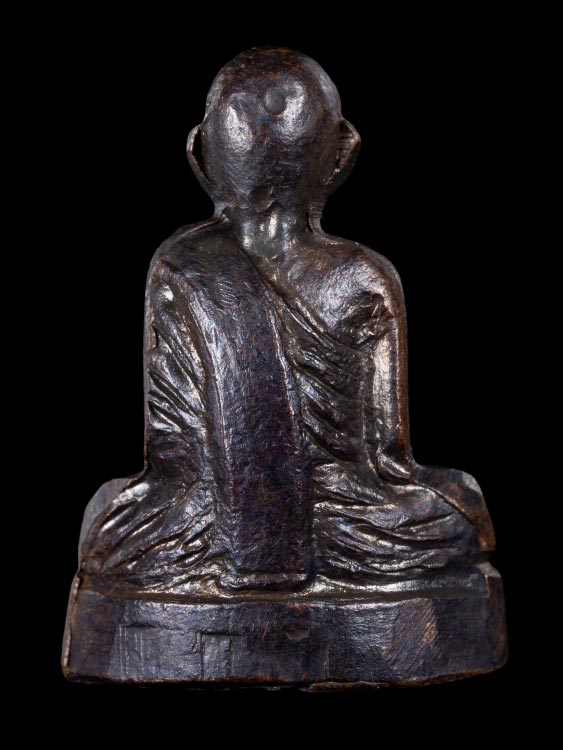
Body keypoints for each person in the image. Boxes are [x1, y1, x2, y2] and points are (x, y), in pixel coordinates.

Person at [79, 47, 494, 596]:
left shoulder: (178, 264)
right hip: (344, 525)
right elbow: (386, 460)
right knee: (461, 512)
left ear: (199, 155)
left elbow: (173, 457)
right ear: (343, 153)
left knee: (108, 527)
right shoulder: (363, 276)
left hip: (208, 524)